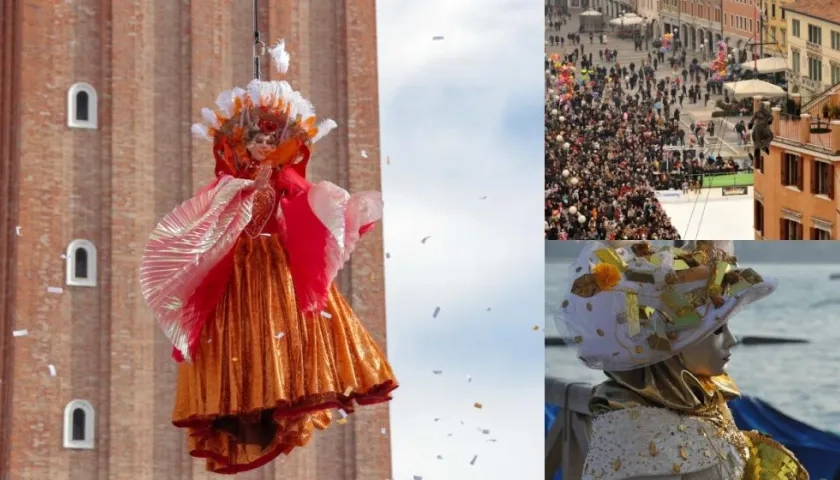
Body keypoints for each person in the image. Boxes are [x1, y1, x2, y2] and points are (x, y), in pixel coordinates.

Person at [139, 40, 398, 474]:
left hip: (277, 270)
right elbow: (199, 222)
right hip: (234, 273)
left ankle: (285, 385)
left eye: (267, 141)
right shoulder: (225, 187)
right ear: (240, 145)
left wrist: (345, 213)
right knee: (238, 338)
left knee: (290, 330)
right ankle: (244, 396)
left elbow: (311, 207)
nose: (261, 146)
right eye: (254, 140)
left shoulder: (288, 181)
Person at [555, 240, 809, 480]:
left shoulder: (701, 401)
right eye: (717, 331)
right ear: (672, 346)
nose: (732, 340)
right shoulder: (635, 435)